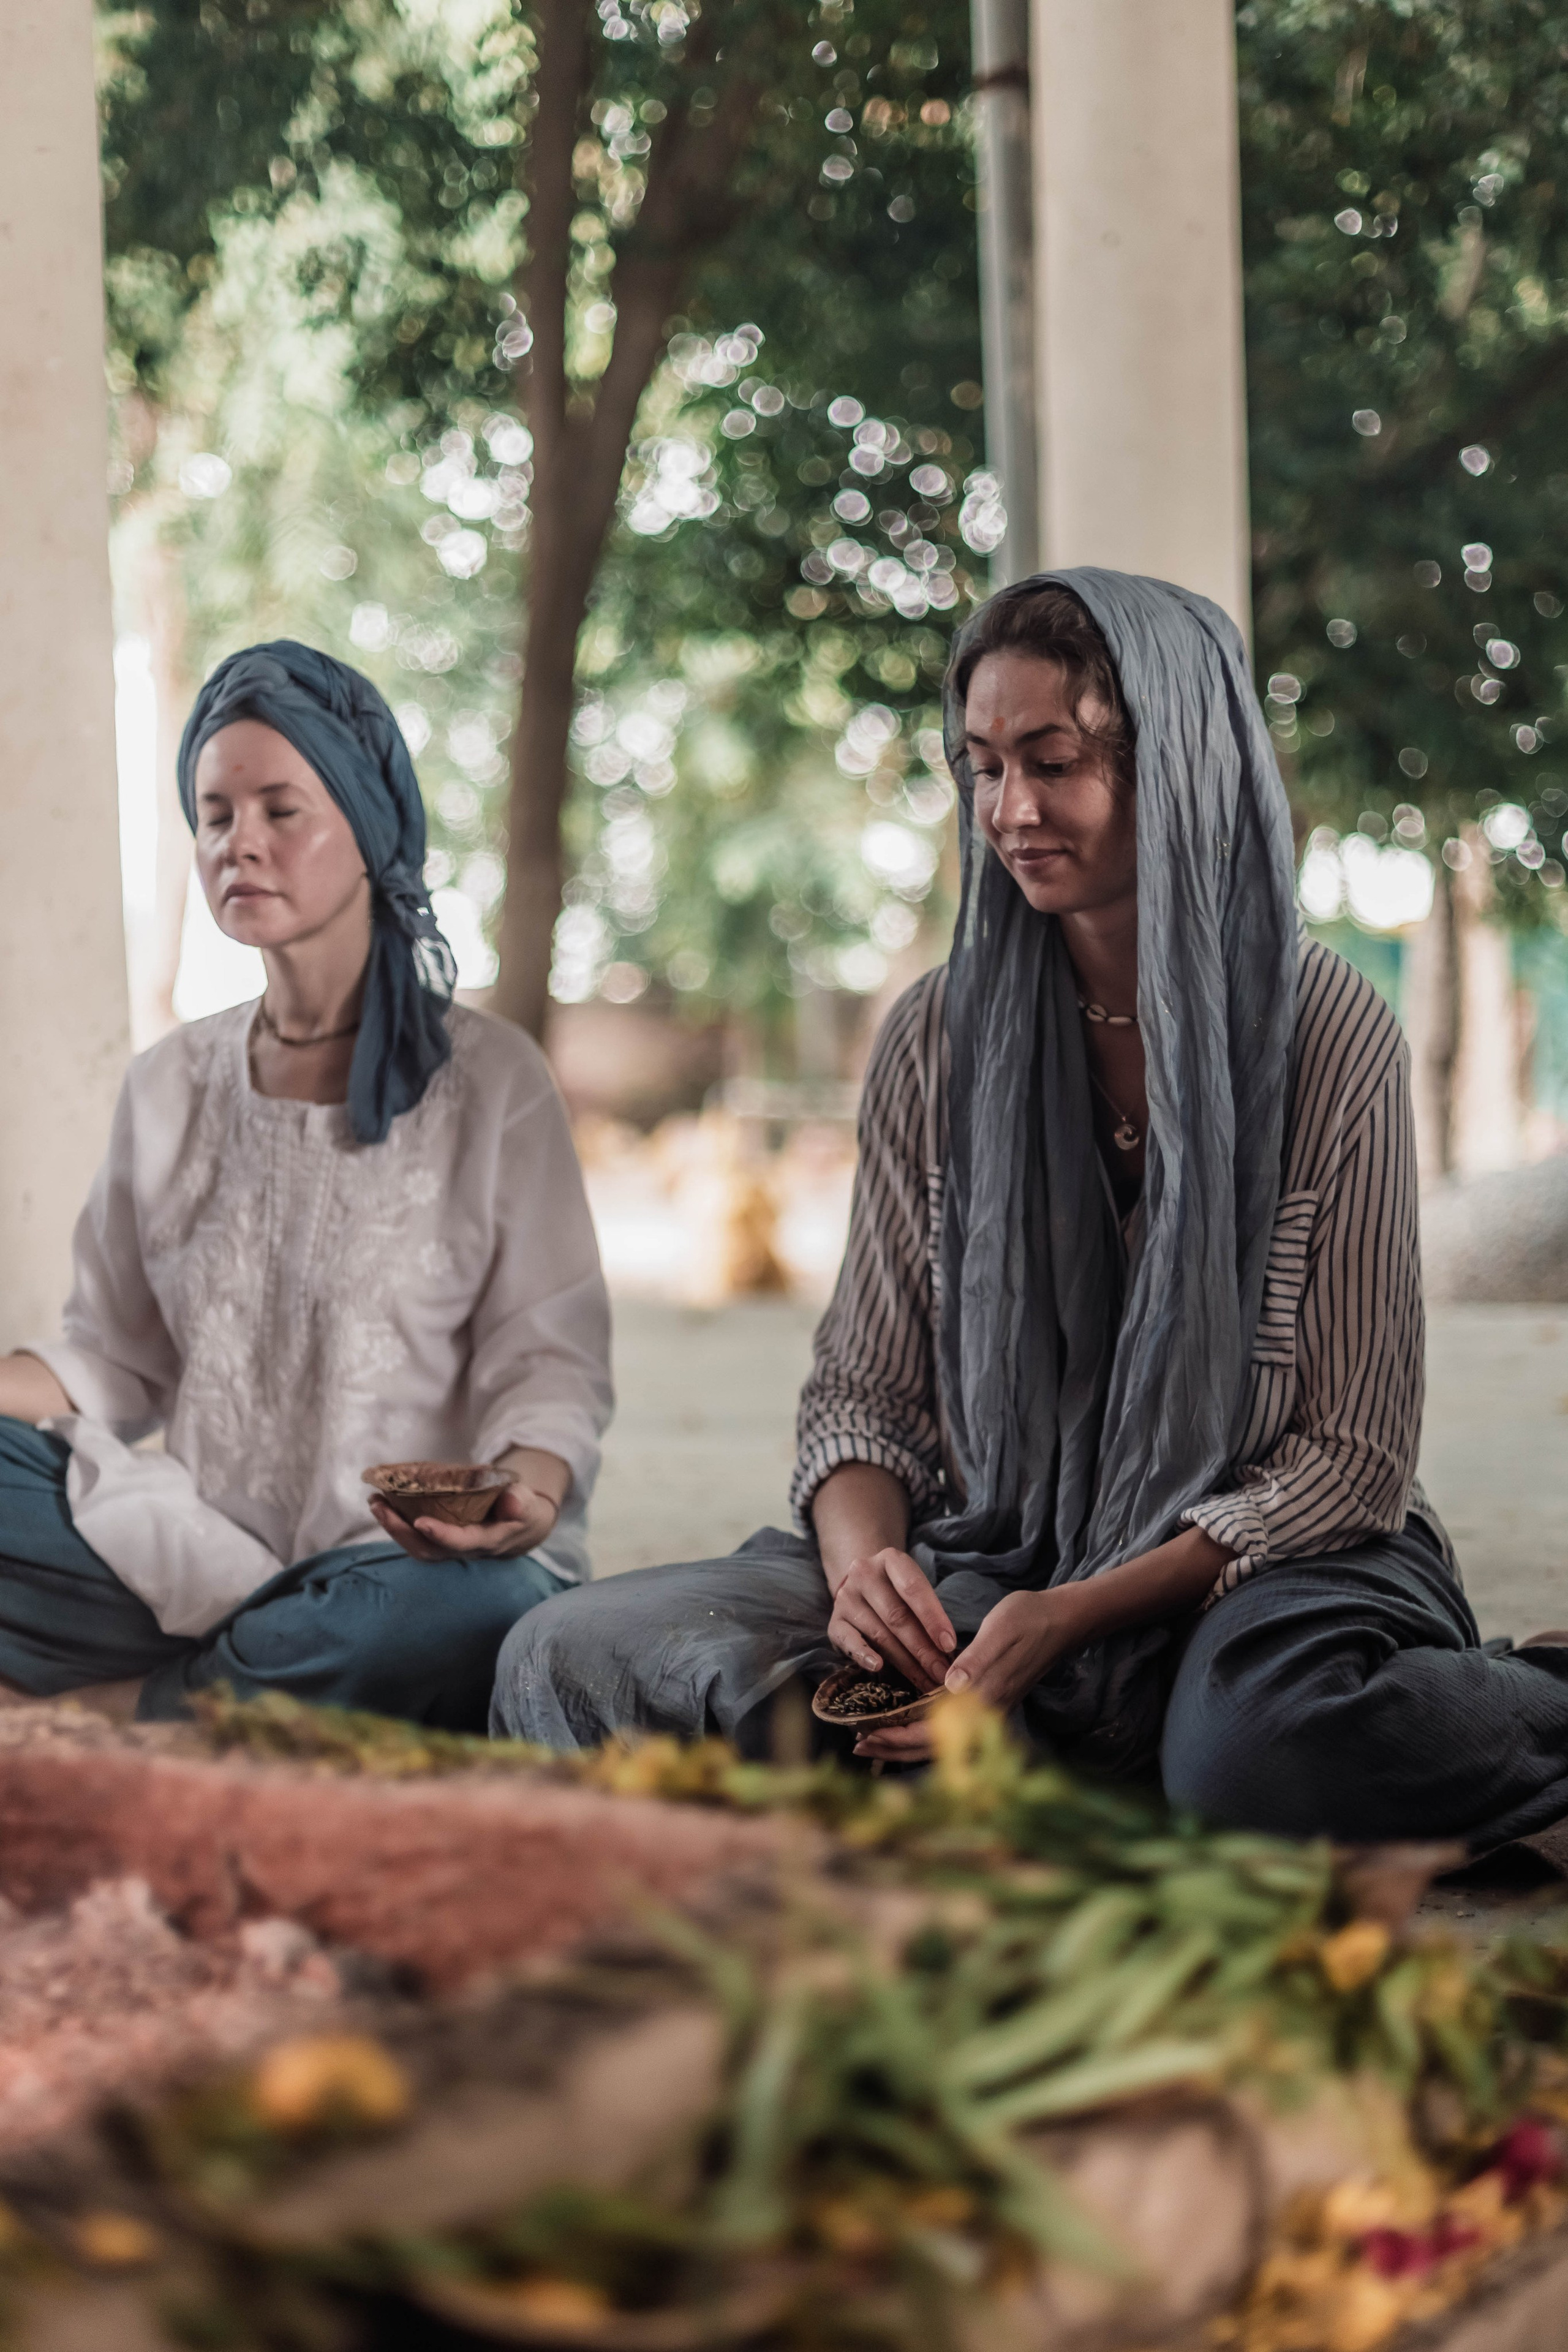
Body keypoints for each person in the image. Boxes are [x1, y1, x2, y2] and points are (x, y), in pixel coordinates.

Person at [492, 570, 1568, 1853]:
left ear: (1170, 762)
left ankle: (1531, 1700)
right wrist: (866, 1581)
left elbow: (1348, 1458)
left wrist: (1075, 1615)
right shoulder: (936, 1039)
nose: (1009, 810)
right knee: (568, 1655)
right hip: (987, 1556)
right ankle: (1036, 1741)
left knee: (1262, 1758)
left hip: (1258, 1573)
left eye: (1052, 762)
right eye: (981, 766)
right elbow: (862, 1399)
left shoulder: (1325, 1034)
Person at [0, 641, 610, 1728]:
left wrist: (528, 1492)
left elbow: (550, 1362)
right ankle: (253, 1689)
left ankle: (134, 1709)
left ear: (370, 827)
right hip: (189, 1553)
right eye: (217, 814)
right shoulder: (168, 1084)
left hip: (400, 1571)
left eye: (283, 809)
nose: (242, 843)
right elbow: (114, 1354)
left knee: (490, 1615)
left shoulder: (492, 1082)